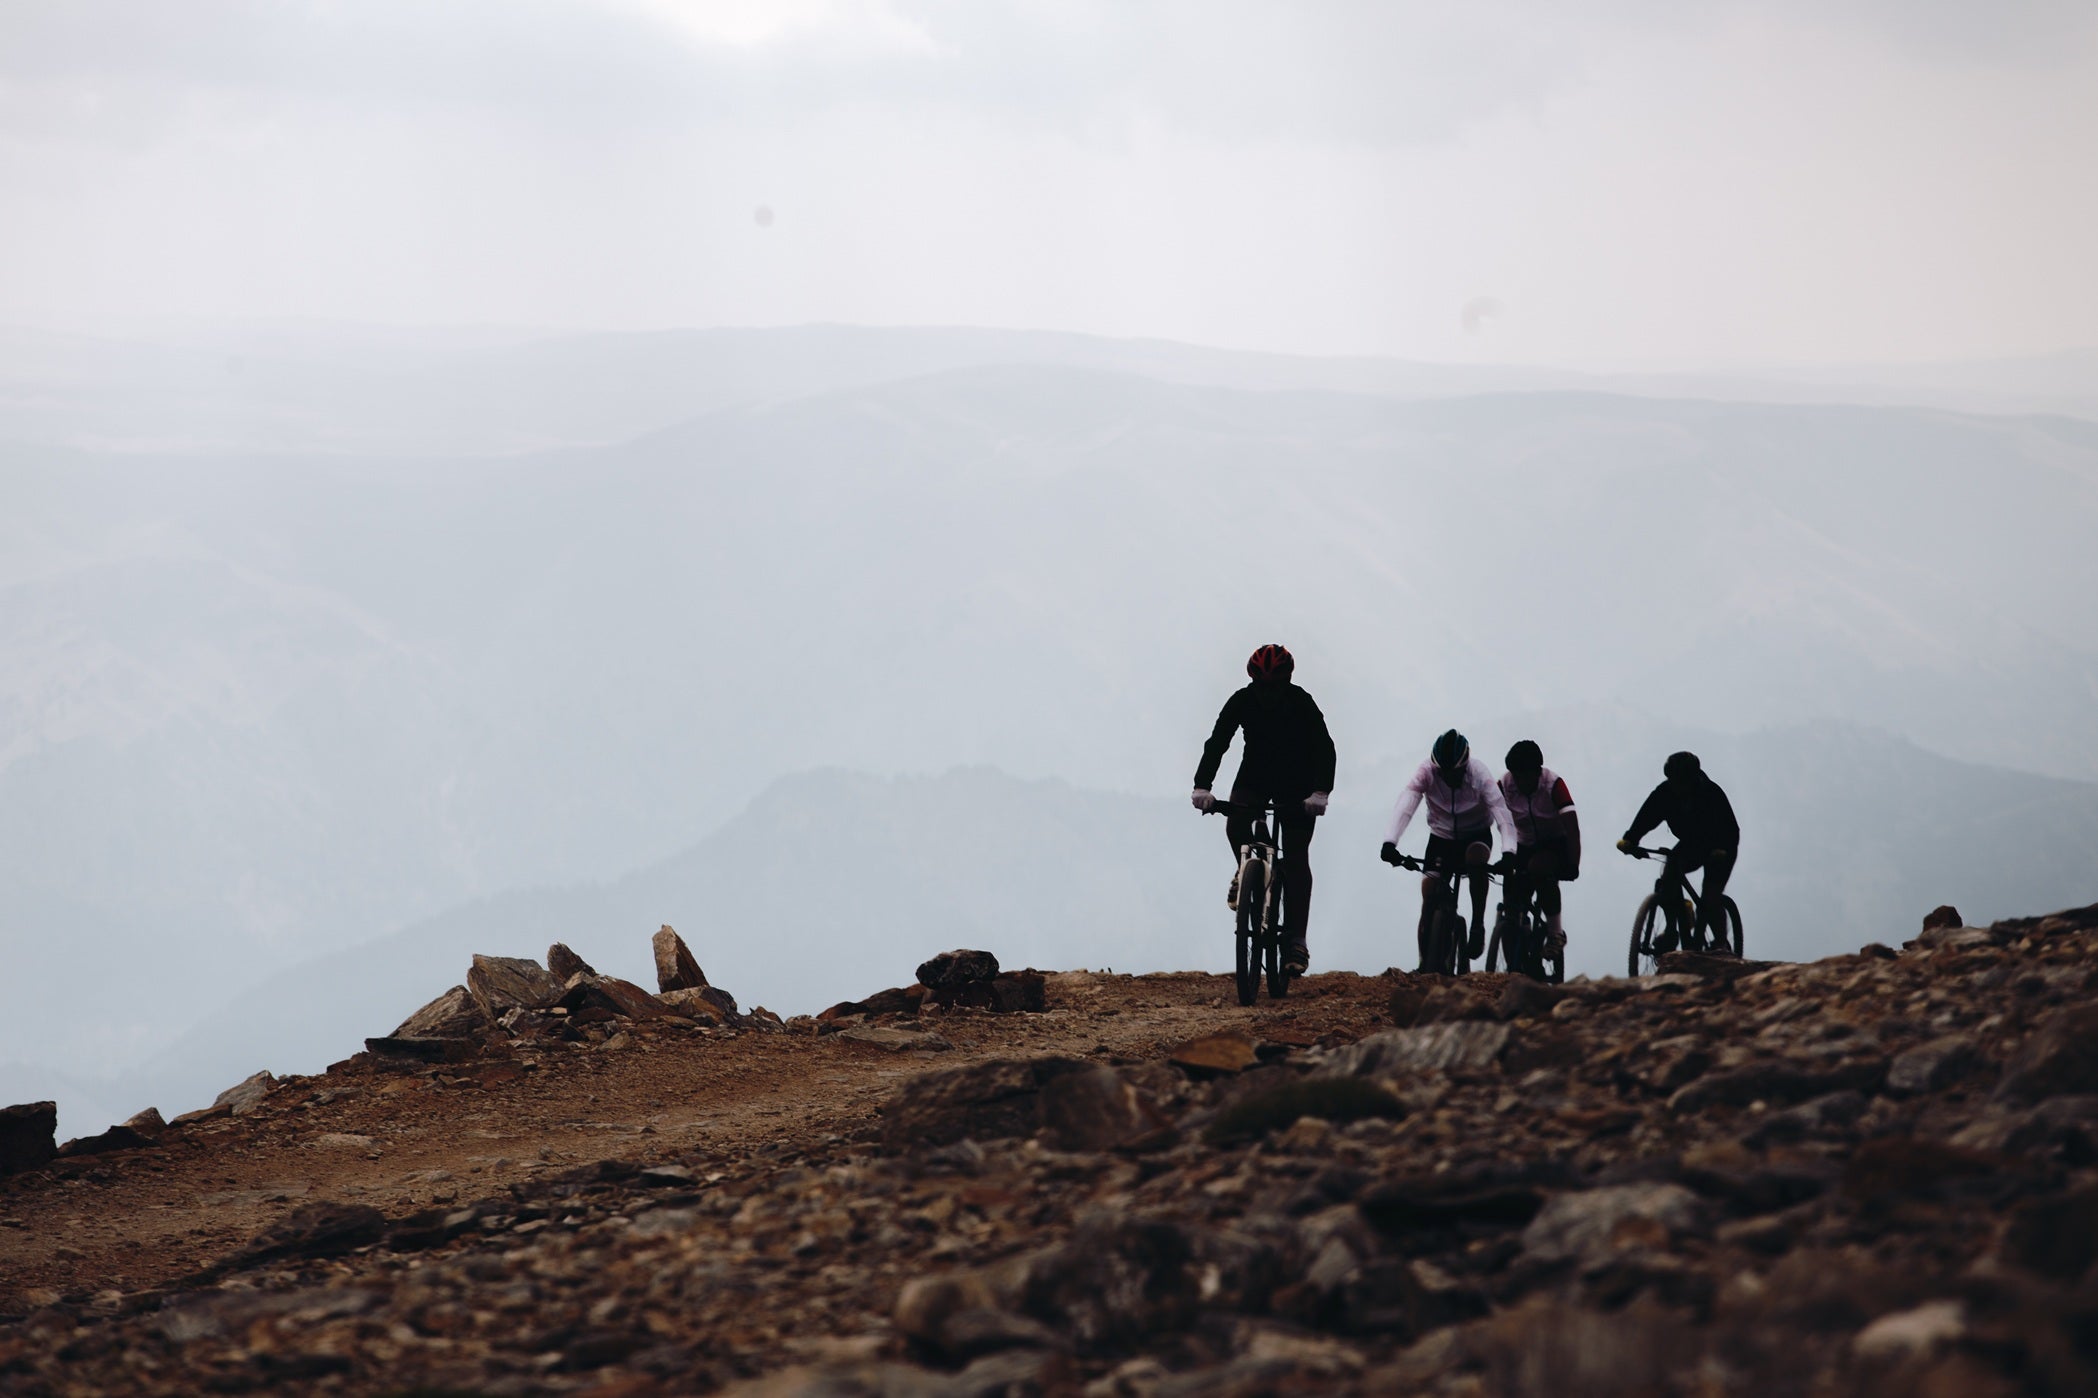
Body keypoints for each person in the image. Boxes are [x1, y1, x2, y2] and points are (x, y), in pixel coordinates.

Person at [1192, 644, 1335, 976]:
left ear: (1286, 681)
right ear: (1253, 681)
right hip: (1254, 778)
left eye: (1275, 686)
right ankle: (1246, 870)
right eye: (1262, 685)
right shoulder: (1241, 700)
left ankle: (1296, 940)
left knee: (1296, 857)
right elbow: (1218, 742)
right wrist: (1203, 786)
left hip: (1297, 783)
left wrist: (1320, 791)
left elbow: (1324, 746)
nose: (1268, 693)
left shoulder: (1301, 701)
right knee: (1236, 826)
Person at [1380, 729, 1518, 968]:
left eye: (1453, 773)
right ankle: (1426, 961)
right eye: (1443, 773)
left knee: (1476, 862)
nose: (1448, 778)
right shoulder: (1427, 772)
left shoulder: (1479, 774)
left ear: (1464, 766)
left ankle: (1477, 925)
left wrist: (1509, 852)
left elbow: (1502, 814)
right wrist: (1390, 842)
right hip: (1442, 837)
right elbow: (1407, 803)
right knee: (1429, 891)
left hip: (1476, 834)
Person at [1617, 751, 1741, 952]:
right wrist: (1631, 839)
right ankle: (1672, 930)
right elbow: (1646, 817)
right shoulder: (1665, 793)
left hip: (1722, 846)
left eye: (1681, 781)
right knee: (1668, 878)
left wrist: (1721, 850)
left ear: (1692, 779)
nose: (1676, 786)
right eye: (1673, 780)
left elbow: (1730, 830)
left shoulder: (1711, 793)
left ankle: (1720, 943)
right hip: (1692, 844)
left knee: (1711, 895)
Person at [1498, 740, 1580, 960]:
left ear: (1537, 771)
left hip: (1554, 842)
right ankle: (1515, 952)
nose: (1520, 782)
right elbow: (1487, 812)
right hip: (1523, 842)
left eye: (1525, 776)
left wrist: (1573, 864)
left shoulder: (1553, 784)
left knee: (1540, 871)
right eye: (1516, 776)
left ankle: (1555, 934)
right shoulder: (1505, 784)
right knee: (1511, 896)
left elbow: (1572, 827)